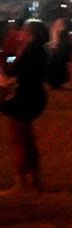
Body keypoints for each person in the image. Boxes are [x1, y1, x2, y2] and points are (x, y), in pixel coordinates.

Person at [6, 24, 52, 191]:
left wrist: (18, 51)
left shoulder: (30, 50)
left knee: (18, 138)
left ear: (30, 33)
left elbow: (13, 70)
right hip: (35, 96)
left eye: (24, 31)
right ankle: (34, 178)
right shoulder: (42, 51)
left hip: (24, 97)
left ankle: (22, 180)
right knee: (27, 138)